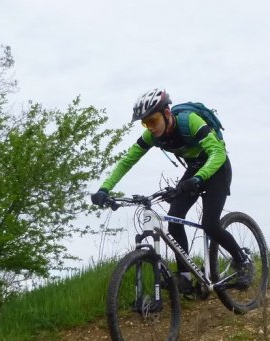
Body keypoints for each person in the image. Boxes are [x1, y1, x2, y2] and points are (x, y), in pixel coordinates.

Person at [90, 89, 253, 293]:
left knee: (210, 224)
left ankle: (242, 261)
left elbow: (218, 153)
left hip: (216, 168)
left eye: (153, 120)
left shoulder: (189, 121)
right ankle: (184, 276)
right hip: (195, 170)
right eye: (145, 123)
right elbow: (127, 161)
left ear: (167, 113)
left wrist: (198, 178)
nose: (150, 127)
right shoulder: (152, 136)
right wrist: (105, 189)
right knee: (174, 218)